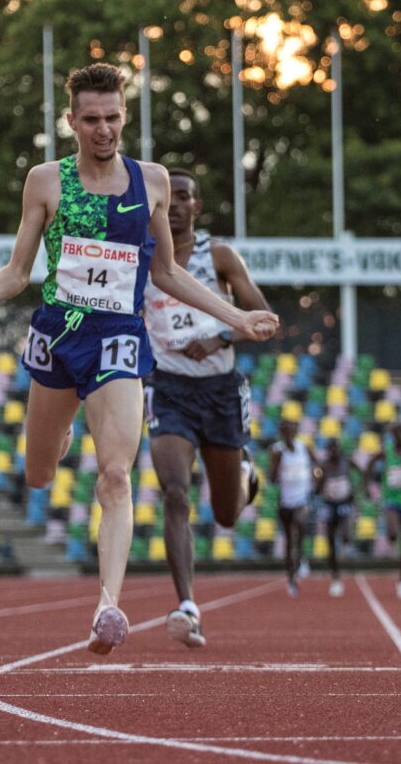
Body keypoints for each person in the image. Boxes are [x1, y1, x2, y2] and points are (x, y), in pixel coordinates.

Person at [0, 63, 279, 655]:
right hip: (56, 334)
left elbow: (168, 272)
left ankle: (108, 605)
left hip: (117, 339)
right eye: (91, 120)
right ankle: (63, 430)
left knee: (116, 475)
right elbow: (20, 271)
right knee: (39, 472)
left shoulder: (150, 181)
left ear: (125, 115)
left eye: (113, 118)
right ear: (71, 120)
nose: (103, 130)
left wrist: (237, 319)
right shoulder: (45, 181)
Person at [143, 168, 274, 648]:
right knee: (175, 493)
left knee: (225, 515)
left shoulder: (217, 256)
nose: (174, 205)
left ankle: (245, 477)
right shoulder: (142, 255)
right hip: (168, 388)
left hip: (219, 390)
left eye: (184, 197)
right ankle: (187, 605)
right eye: (168, 197)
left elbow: (262, 318)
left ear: (196, 206)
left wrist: (218, 334)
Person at [366, 421, 401, 600]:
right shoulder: (387, 450)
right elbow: (370, 463)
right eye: (396, 432)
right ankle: (391, 536)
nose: (400, 435)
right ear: (393, 434)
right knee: (392, 533)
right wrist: (367, 484)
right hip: (391, 498)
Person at [269, 419, 317, 597]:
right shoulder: (276, 451)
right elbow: (272, 479)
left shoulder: (304, 447)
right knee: (289, 541)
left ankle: (302, 555)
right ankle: (291, 580)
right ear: (281, 433)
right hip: (285, 501)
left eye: (290, 430)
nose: (288, 434)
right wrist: (277, 462)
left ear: (295, 431)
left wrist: (316, 478)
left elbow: (317, 466)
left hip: (302, 498)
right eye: (284, 431)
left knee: (300, 523)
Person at [315, 437, 358, 597]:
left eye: (336, 447)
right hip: (329, 504)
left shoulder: (346, 462)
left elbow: (360, 471)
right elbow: (317, 489)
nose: (334, 451)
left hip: (345, 502)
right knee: (330, 541)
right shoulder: (324, 466)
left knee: (346, 534)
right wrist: (319, 481)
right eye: (331, 448)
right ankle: (335, 577)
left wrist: (356, 490)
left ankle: (346, 543)